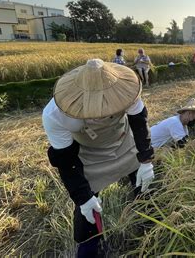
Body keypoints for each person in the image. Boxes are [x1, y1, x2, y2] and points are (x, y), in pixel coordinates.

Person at [42, 59, 154, 257]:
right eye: (92, 111)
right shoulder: (55, 114)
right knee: (87, 213)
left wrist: (146, 160)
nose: (99, 115)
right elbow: (66, 160)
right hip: (88, 153)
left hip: (123, 142)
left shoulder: (127, 91)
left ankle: (151, 230)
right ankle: (90, 248)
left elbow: (139, 122)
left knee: (146, 188)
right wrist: (83, 197)